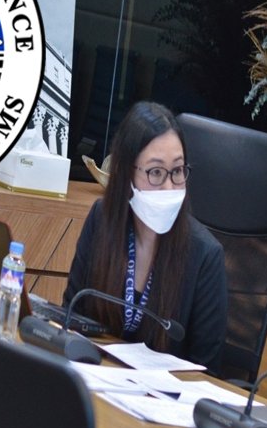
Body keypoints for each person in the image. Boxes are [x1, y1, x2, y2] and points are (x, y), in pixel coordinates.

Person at [63, 101, 227, 370]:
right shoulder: (102, 219)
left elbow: (208, 369)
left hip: (167, 392)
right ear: (126, 173)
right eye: (156, 172)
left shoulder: (204, 255)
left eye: (177, 171)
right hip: (94, 375)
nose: (169, 187)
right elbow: (71, 313)